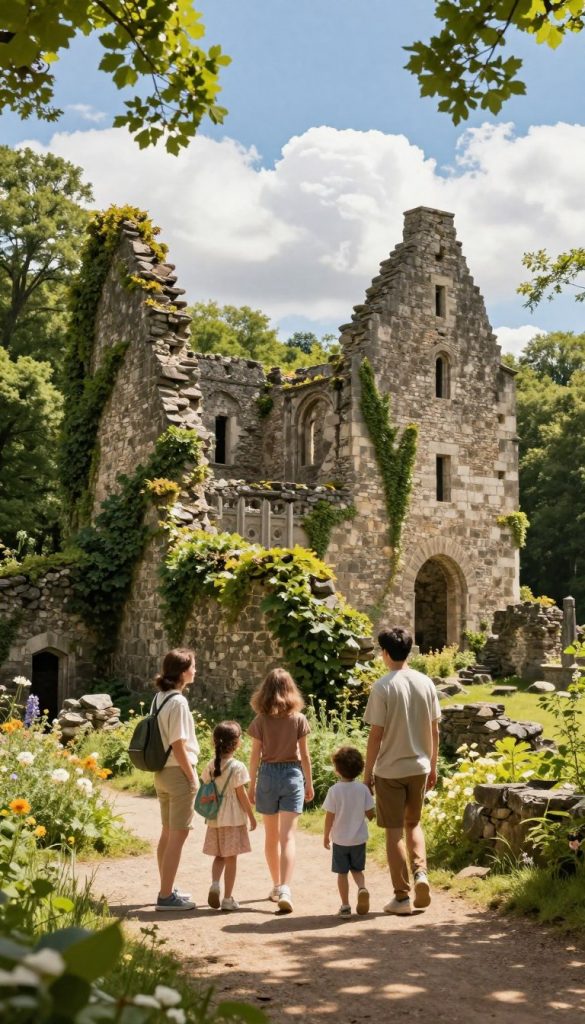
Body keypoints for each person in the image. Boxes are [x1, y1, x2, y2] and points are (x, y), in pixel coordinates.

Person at [363, 626, 441, 916]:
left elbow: (375, 735)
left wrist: (367, 773)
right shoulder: (426, 683)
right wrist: (434, 766)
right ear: (409, 651)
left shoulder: (383, 686)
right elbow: (435, 729)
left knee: (394, 831)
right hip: (419, 766)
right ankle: (421, 874)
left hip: (390, 769)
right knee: (414, 824)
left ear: (385, 653)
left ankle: (401, 896)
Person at [248, 668, 314, 913]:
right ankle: (286, 887)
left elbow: (254, 755)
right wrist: (309, 782)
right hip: (292, 775)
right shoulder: (298, 718)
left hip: (267, 774)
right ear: (291, 690)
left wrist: (251, 785)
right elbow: (305, 755)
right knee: (288, 837)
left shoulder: (260, 720)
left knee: (271, 837)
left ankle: (276, 885)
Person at [153, 648, 200, 912]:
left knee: (167, 833)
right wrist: (192, 777)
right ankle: (165, 896)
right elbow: (178, 744)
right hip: (177, 771)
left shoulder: (159, 697)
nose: (195, 671)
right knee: (178, 835)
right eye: (193, 666)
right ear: (183, 672)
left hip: (161, 771)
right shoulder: (179, 702)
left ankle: (167, 888)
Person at [202, 720, 257, 911]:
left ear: (214, 741)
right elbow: (241, 795)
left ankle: (215, 884)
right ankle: (227, 899)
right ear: (237, 743)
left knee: (218, 856)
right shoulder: (238, 766)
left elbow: (206, 788)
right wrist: (252, 816)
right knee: (231, 858)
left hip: (216, 817)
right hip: (233, 819)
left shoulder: (210, 764)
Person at [323, 746, 375, 916]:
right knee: (357, 870)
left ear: (337, 770)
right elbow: (371, 814)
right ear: (360, 769)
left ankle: (345, 906)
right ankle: (362, 888)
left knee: (342, 873)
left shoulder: (334, 790)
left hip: (340, 840)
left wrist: (325, 836)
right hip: (359, 839)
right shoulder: (363, 789)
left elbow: (329, 816)